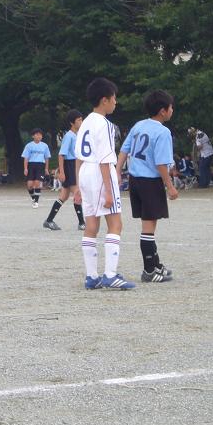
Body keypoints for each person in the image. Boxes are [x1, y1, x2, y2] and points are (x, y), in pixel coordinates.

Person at [75, 78, 133, 290]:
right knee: (116, 224)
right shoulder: (105, 124)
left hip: (85, 173)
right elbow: (105, 159)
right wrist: (109, 190)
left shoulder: (85, 122)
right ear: (104, 100)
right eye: (114, 98)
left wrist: (78, 187)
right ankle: (110, 274)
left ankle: (91, 277)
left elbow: (78, 157)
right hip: (100, 173)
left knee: (91, 225)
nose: (115, 102)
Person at [116, 90, 178, 283]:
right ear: (162, 111)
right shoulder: (163, 132)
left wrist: (117, 171)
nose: (172, 110)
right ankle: (149, 270)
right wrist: (170, 186)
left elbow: (124, 150)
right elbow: (161, 163)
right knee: (149, 226)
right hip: (150, 181)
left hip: (135, 180)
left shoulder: (138, 125)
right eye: (170, 107)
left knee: (148, 223)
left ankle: (156, 264)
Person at [43, 109, 86, 231]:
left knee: (64, 196)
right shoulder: (69, 136)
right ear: (72, 123)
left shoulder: (78, 135)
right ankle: (82, 223)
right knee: (77, 192)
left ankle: (49, 220)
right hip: (70, 165)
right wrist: (62, 172)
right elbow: (61, 155)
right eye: (79, 120)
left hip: (75, 165)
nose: (81, 122)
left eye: (81, 119)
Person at [21, 128, 51, 208]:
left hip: (41, 165)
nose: (39, 136)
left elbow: (47, 158)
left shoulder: (45, 146)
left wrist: (46, 169)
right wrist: (25, 168)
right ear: (33, 136)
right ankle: (33, 197)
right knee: (30, 185)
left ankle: (36, 202)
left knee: (38, 183)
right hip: (31, 165)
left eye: (40, 135)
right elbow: (26, 158)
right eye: (37, 134)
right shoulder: (29, 146)